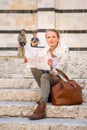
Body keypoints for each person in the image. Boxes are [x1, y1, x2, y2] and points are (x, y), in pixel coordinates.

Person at [28, 29, 69, 120]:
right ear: (46, 39)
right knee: (34, 67)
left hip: (59, 78)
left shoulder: (64, 49)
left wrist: (50, 67)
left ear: (58, 38)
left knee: (45, 76)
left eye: (53, 37)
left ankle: (42, 108)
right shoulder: (45, 50)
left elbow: (60, 69)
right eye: (48, 37)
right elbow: (41, 65)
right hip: (48, 75)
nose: (51, 39)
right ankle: (49, 94)